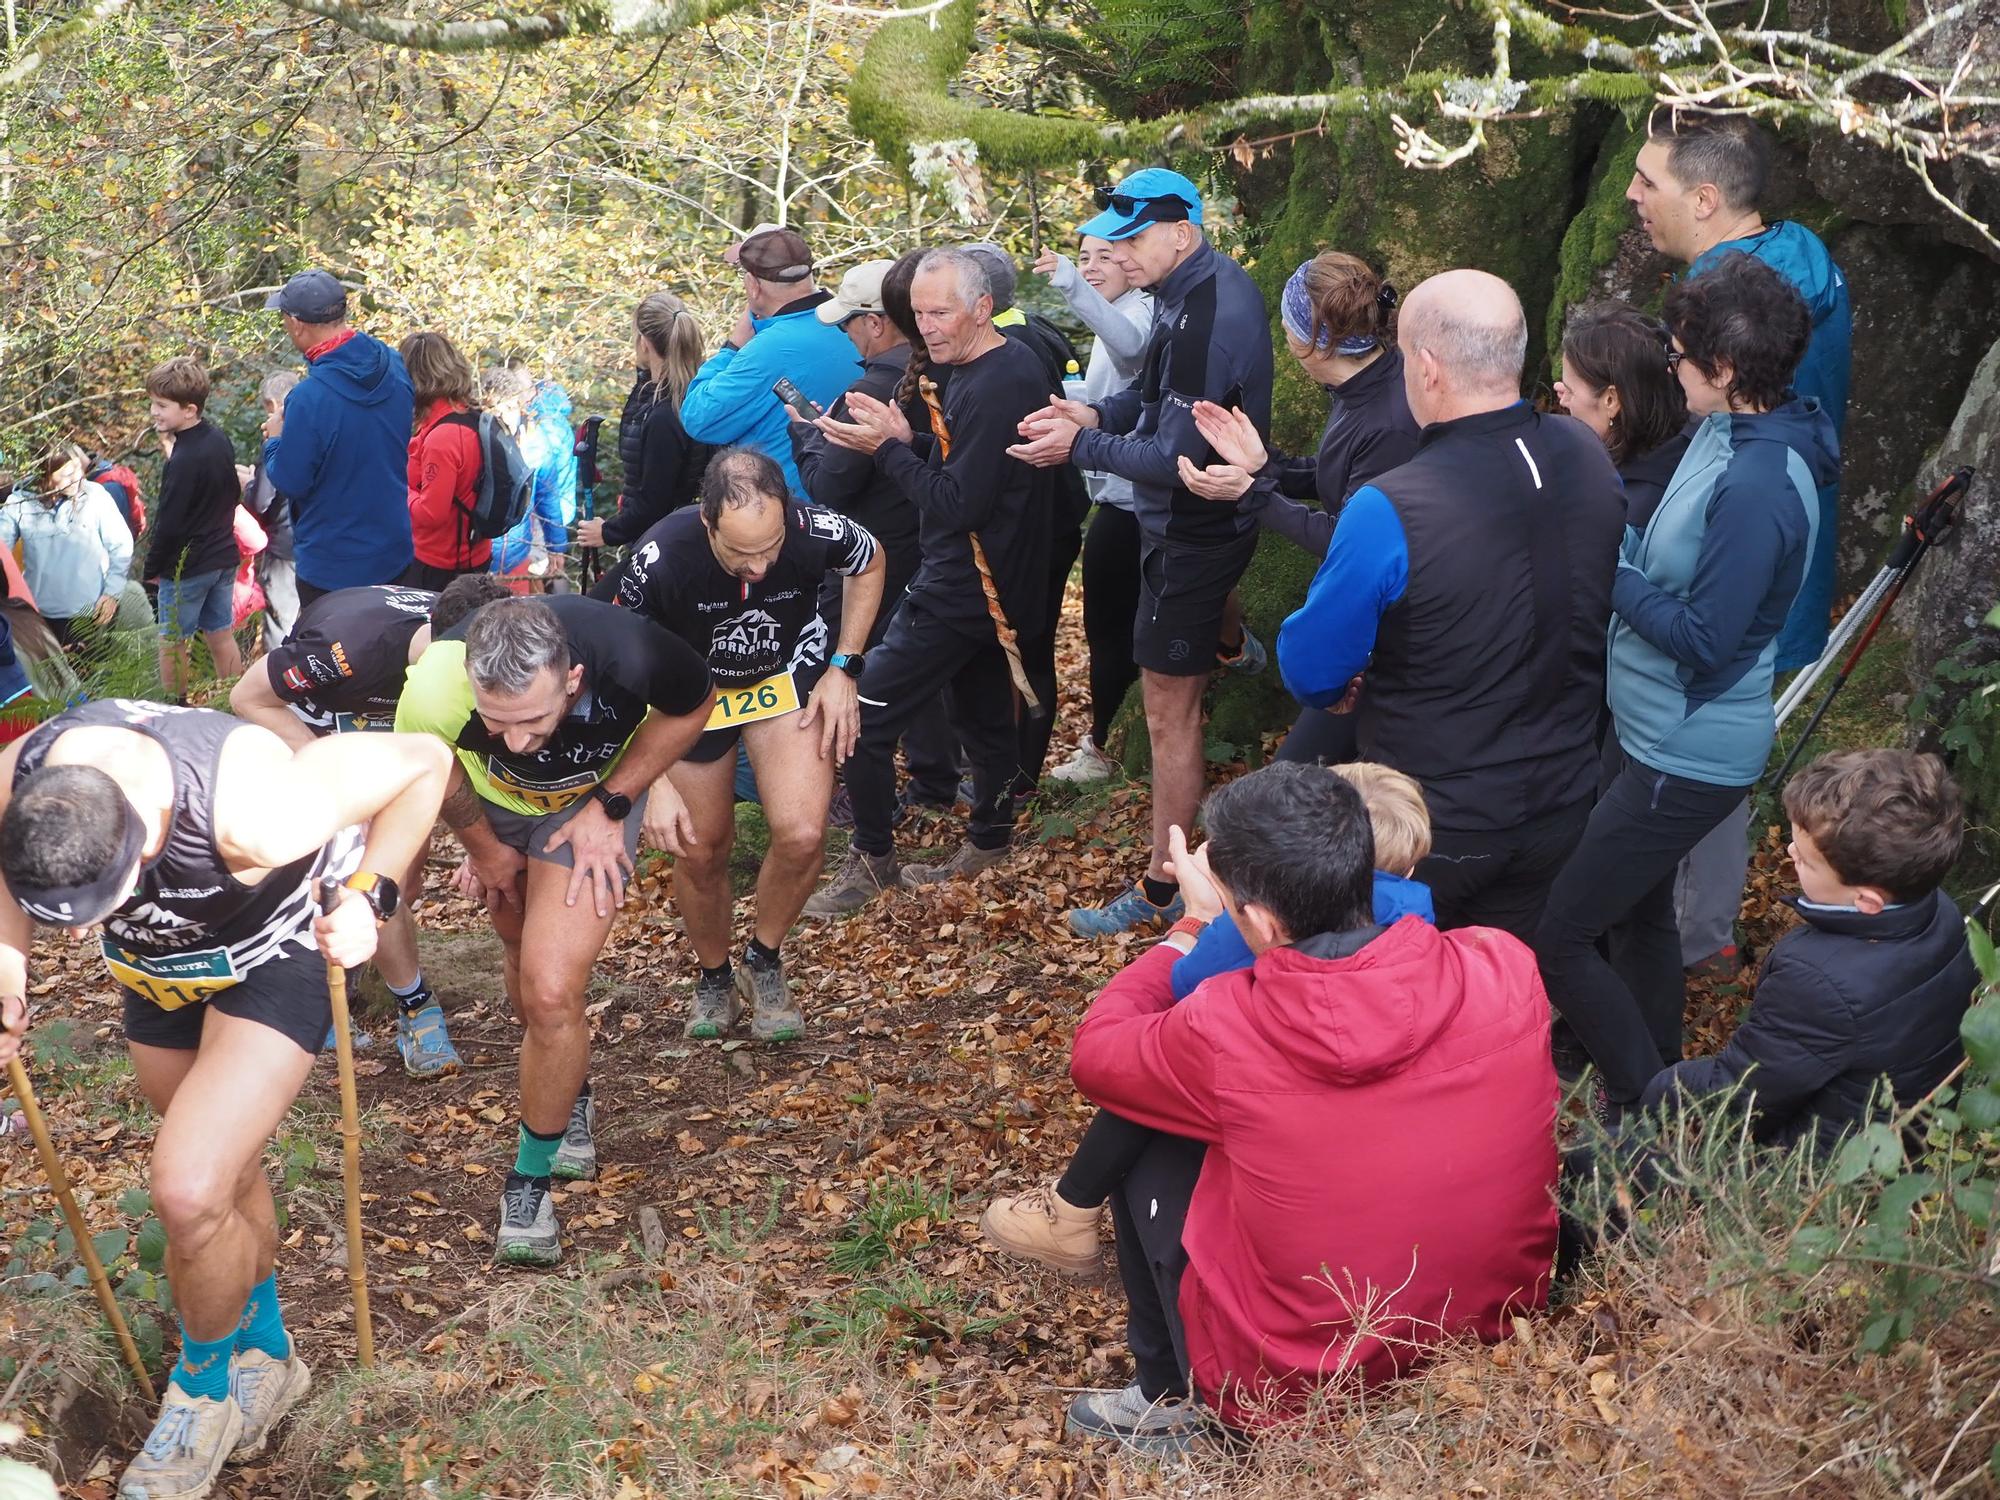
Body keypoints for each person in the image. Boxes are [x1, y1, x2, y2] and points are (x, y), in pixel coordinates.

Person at [0, 700, 450, 1498]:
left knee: (188, 1186)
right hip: (158, 970)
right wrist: (7, 958)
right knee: (227, 1178)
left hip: (276, 949)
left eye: (90, 905)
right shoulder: (21, 779)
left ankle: (201, 1393)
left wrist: (370, 895)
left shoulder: (258, 812)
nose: (73, 938)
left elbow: (423, 761)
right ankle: (269, 1354)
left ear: (141, 835)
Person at [1060, 762, 1557, 1449]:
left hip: (1292, 1381)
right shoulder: (1502, 963)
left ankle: (1172, 1399)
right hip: (1489, 1333)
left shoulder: (1226, 1028)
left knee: (1147, 1128)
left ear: (1259, 920)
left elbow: (1099, 1055)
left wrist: (1194, 925)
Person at [1534, 253, 1837, 1111]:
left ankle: (1655, 1106)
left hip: (1688, 750)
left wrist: (1606, 565)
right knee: (1637, 914)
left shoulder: (1758, 483)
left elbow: (1706, 641)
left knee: (1560, 932)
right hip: (1646, 730)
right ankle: (1649, 1064)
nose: (1670, 365)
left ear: (1727, 370)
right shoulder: (1723, 429)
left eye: (1680, 353)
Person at [980, 761, 1437, 1277]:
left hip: (1274, 1095)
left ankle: (1071, 1210)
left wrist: (1207, 913)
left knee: (1159, 1068)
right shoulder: (1420, 918)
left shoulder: (1272, 915)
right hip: (1373, 1128)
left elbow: (1180, 987)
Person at [1275, 270, 1626, 941]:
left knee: (1399, 999)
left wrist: (1354, 678)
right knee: (1497, 993)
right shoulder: (1584, 451)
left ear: (1428, 368)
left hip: (1436, 819)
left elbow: (1312, 668)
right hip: (1565, 794)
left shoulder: (1392, 505)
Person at [396, 595, 713, 1265]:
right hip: (494, 807)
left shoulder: (631, 652)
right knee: (516, 947)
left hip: (586, 803)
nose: (515, 739)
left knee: (549, 989)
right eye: (496, 721)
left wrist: (615, 801)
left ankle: (529, 1178)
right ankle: (572, 1091)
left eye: (534, 719)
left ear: (572, 680)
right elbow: (433, 767)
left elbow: (693, 703)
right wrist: (482, 848)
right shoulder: (432, 686)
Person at [1008, 169, 1277, 937]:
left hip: (1194, 529)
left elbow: (1173, 457)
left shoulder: (1204, 314)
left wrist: (1080, 443)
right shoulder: (1185, 290)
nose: (1120, 252)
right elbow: (1152, 400)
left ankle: (1166, 887)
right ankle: (1232, 646)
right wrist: (1091, 409)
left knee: (1168, 710)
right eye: (1114, 237)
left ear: (1182, 232)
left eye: (1132, 237)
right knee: (1168, 699)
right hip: (1186, 526)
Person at [801, 248, 1054, 914]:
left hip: (968, 586)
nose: (929, 326)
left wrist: (883, 449)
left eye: (941, 312)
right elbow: (963, 471)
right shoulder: (973, 369)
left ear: (982, 308)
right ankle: (990, 837)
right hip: (978, 578)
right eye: (918, 313)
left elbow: (958, 503)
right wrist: (903, 442)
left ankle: (873, 859)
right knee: (983, 719)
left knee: (863, 716)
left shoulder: (1001, 380)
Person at [608, 448, 883, 1041]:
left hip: (782, 681)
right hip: (688, 700)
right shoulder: (658, 557)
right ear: (707, 523)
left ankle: (764, 959)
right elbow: (617, 667)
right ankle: (713, 977)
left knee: (804, 834)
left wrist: (845, 666)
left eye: (770, 547)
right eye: (740, 552)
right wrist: (649, 781)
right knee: (701, 849)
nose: (759, 567)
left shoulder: (813, 529)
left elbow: (871, 559)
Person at [230, 574, 511, 1076]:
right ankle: (387, 1002)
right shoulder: (346, 648)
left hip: (391, 732)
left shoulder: (483, 639)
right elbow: (247, 696)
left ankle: (383, 986)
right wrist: (326, 765)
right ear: (448, 651)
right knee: (353, 868)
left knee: (400, 874)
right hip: (308, 726)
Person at [1641, 750, 1976, 1153]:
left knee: (1592, 1164)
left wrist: (1663, 1086)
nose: (1789, 854)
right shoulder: (1941, 911)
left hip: (1808, 1171)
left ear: (1867, 901)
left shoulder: (1818, 981)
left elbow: (1735, 1100)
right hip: (1896, 1142)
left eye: (1807, 860)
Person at [1628, 107, 1851, 672]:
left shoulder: (1721, 311)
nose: (1632, 194)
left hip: (1725, 574)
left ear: (1703, 201)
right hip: (1792, 540)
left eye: (1648, 182)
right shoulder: (1799, 252)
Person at [1180, 251, 1422, 768]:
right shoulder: (1364, 384)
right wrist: (1265, 465)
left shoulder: (1390, 418)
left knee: (1305, 774)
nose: (1283, 333)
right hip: (1368, 619)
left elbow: (1349, 539)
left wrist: (1252, 492)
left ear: (1314, 341)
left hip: (1393, 632)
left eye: (1289, 323)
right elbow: (1337, 478)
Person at [789, 253, 961, 817]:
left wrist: (806, 436)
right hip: (924, 546)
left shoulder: (869, 391)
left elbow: (828, 486)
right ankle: (936, 781)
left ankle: (868, 799)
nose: (846, 336)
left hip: (871, 557)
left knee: (853, 667)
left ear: (876, 321)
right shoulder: (939, 371)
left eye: (848, 324)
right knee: (916, 671)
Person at [1030, 232, 1153, 784]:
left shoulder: (1142, 311)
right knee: (1115, 631)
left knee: (1110, 633)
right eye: (1085, 258)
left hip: (1135, 502)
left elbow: (1130, 348)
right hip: (1120, 496)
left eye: (1107, 256)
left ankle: (1103, 749)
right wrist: (1074, 406)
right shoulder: (1122, 310)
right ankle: (1112, 740)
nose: (1094, 267)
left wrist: (1070, 283)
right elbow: (1116, 388)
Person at [261, 269, 416, 602]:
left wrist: (275, 440)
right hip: (395, 550)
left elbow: (291, 481)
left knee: (337, 653)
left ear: (297, 324)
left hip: (332, 567)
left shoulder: (308, 399)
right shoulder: (392, 362)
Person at [679, 228, 861, 500]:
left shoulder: (770, 349)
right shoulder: (852, 323)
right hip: (850, 505)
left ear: (753, 285)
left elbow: (698, 418)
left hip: (786, 510)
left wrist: (732, 347)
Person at [578, 292, 713, 556]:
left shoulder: (664, 414)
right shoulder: (686, 394)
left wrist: (607, 532)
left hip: (663, 545)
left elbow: (655, 501)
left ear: (644, 343)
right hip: (671, 536)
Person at [145, 356, 245, 699]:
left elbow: (169, 523)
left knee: (172, 642)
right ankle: (235, 699)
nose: (154, 412)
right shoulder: (217, 439)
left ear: (189, 409)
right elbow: (234, 492)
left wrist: (152, 568)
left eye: (161, 405)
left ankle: (176, 708)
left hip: (188, 566)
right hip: (223, 556)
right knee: (220, 633)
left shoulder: (183, 459)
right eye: (153, 403)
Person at [1553, 303, 1691, 530]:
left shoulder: (1628, 511)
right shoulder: (1681, 446)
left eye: (1570, 389)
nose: (1560, 394)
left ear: (1611, 400)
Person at [0, 444, 135, 648]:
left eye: (78, 469)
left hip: (90, 613)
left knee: (90, 675)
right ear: (46, 476)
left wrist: (111, 594)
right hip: (40, 616)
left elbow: (121, 546)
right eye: (67, 474)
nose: (77, 478)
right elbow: (2, 548)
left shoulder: (95, 496)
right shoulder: (19, 504)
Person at [399, 332, 491, 588]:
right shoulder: (471, 415)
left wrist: (396, 487)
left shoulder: (445, 437)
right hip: (473, 555)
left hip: (441, 567)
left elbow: (431, 513)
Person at [490, 364, 572, 585]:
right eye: (497, 410)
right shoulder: (474, 443)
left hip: (516, 555)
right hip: (477, 558)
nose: (505, 418)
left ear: (520, 406)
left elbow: (548, 498)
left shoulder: (536, 445)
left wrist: (556, 546)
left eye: (510, 408)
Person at [239, 372, 302, 648]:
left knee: (280, 623)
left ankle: (279, 687)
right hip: (312, 539)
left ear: (277, 406)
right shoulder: (314, 436)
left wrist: (249, 483)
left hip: (283, 547)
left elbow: (262, 501)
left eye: (267, 409)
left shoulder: (276, 445)